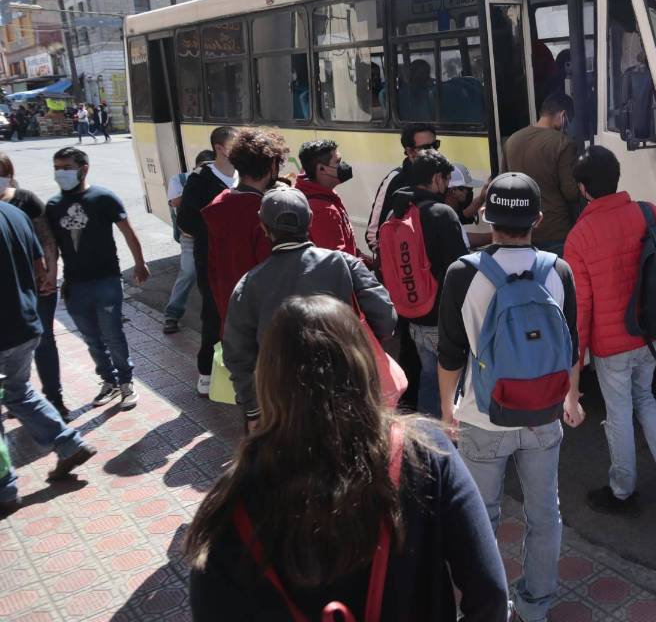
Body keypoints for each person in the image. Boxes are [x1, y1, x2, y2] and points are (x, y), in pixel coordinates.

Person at [187, 294, 508, 620]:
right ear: (363, 366)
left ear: (268, 381)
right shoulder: (425, 452)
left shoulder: (232, 506)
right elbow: (490, 593)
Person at [437, 172, 585, 622]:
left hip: (483, 417)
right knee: (545, 515)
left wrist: (447, 411)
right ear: (538, 219)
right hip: (544, 414)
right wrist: (572, 400)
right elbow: (571, 345)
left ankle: (486, 607)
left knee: (480, 519)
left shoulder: (464, 272)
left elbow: (450, 354)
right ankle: (535, 606)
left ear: (486, 216)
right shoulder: (558, 270)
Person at [563, 146, 656, 514]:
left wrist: (573, 382)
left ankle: (623, 490)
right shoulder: (648, 213)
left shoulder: (579, 236)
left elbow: (581, 310)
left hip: (611, 346)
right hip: (650, 333)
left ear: (583, 189)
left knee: (619, 413)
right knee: (647, 399)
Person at [223, 186, 396, 430]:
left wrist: (253, 410)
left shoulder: (248, 284)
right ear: (311, 220)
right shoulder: (344, 263)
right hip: (347, 393)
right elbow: (386, 317)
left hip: (282, 407)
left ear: (263, 228)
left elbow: (238, 355)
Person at [0, 202, 98, 517]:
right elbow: (41, 266)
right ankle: (69, 444)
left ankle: (4, 488)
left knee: (18, 392)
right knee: (19, 391)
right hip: (24, 323)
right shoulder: (13, 214)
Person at [45, 147, 149, 410]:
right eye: (58, 167)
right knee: (91, 338)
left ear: (84, 168)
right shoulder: (54, 206)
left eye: (67, 167)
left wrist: (139, 263)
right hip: (75, 284)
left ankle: (126, 382)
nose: (61, 173)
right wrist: (51, 277)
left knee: (113, 333)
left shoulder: (103, 197)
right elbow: (52, 248)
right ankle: (109, 381)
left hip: (107, 280)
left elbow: (127, 231)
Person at [200, 130, 288, 397]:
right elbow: (274, 271)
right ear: (271, 166)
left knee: (250, 398)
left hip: (230, 311)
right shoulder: (262, 212)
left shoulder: (220, 202)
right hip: (265, 321)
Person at [381, 150, 468, 417]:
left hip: (413, 314)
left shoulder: (396, 213)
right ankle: (449, 440)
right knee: (451, 381)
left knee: (430, 375)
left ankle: (428, 440)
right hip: (442, 317)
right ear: (436, 179)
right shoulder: (442, 214)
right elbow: (459, 270)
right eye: (446, 179)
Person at [0, 152, 69, 418]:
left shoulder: (24, 200)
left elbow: (46, 240)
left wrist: (50, 276)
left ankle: (54, 397)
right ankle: (18, 399)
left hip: (33, 285)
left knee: (43, 340)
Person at [177, 127, 238, 395]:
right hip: (211, 258)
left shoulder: (244, 175)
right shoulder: (201, 178)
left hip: (241, 257)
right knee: (213, 313)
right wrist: (218, 228)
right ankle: (206, 371)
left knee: (242, 315)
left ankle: (238, 372)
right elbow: (186, 220)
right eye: (234, 144)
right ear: (219, 147)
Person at [502, 93, 580, 255]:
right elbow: (571, 192)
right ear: (563, 115)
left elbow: (504, 182)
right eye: (569, 120)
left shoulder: (512, 140)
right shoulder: (563, 143)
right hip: (554, 230)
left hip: (521, 230)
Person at [162, 150, 215, 335]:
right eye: (204, 168)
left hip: (215, 236)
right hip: (190, 237)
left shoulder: (220, 179)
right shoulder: (181, 179)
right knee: (188, 273)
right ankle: (172, 315)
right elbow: (175, 202)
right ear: (196, 167)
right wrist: (196, 187)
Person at [366, 123, 439, 257]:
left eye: (435, 145)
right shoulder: (395, 180)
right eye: (427, 148)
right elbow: (373, 236)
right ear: (410, 151)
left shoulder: (440, 176)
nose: (434, 152)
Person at [296, 139, 367, 261]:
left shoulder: (320, 195)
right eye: (338, 162)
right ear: (321, 169)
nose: (343, 166)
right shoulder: (324, 210)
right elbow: (337, 261)